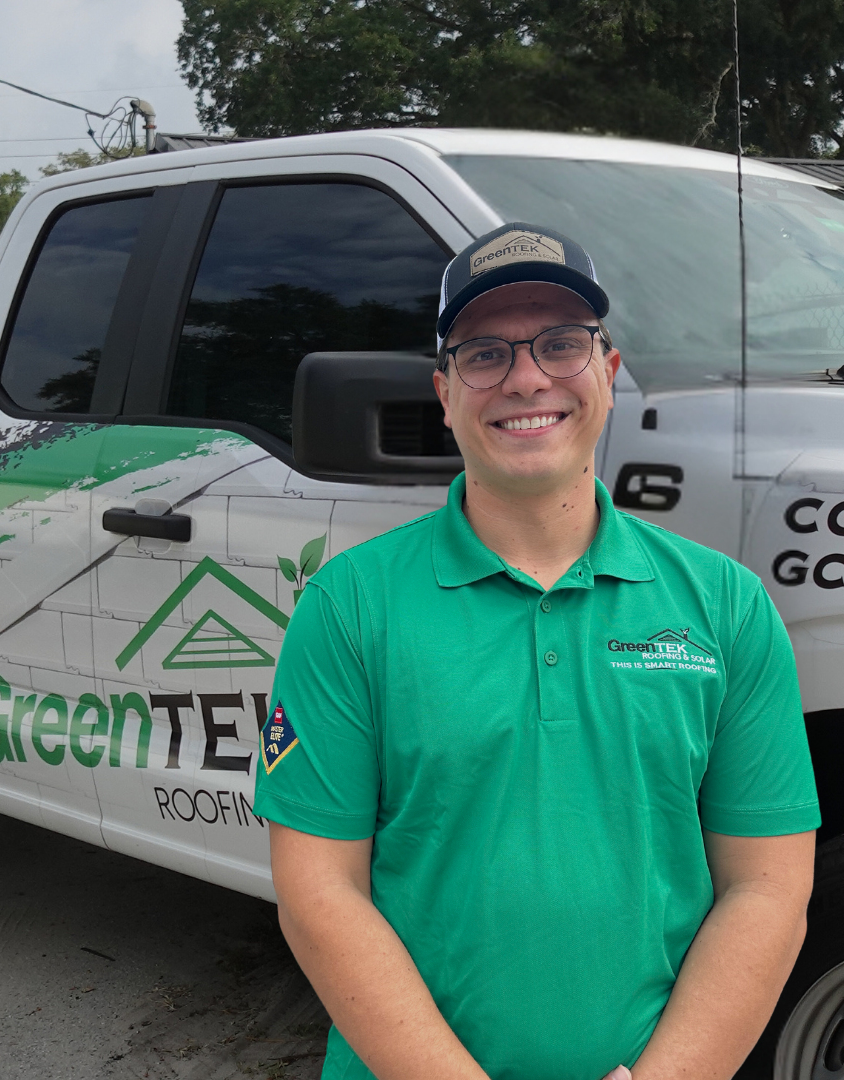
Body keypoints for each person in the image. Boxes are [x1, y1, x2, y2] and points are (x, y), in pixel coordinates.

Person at [252, 222, 820, 1080]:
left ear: (608, 372)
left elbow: (768, 887)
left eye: (562, 344)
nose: (527, 378)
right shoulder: (347, 608)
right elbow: (319, 892)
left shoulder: (727, 607)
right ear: (444, 393)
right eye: (484, 354)